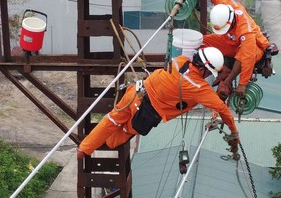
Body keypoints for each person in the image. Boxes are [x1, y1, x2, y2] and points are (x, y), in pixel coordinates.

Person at [76, 47, 239, 158]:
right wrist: (234, 132)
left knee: (112, 119)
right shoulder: (199, 87)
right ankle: (100, 144)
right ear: (203, 69)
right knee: (119, 136)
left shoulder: (180, 60)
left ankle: (84, 148)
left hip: (135, 93)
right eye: (209, 73)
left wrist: (86, 148)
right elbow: (223, 110)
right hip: (144, 114)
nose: (207, 77)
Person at [195, 0, 273, 99]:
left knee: (242, 54)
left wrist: (242, 84)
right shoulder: (226, 5)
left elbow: (248, 57)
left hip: (255, 47)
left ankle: (228, 79)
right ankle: (222, 70)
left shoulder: (245, 31)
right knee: (201, 41)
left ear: (231, 22)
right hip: (231, 41)